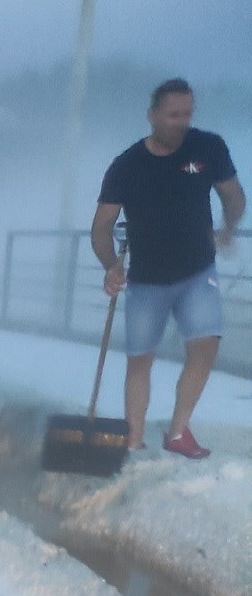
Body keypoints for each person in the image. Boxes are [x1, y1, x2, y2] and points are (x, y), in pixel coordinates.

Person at [90, 78, 245, 459]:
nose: (181, 122)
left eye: (187, 114)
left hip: (197, 272)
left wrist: (228, 227)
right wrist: (111, 266)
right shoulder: (127, 166)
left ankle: (177, 431)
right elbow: (101, 227)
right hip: (146, 280)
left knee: (206, 344)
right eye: (173, 114)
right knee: (140, 360)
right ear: (152, 115)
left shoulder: (208, 147)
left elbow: (234, 195)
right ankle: (133, 439)